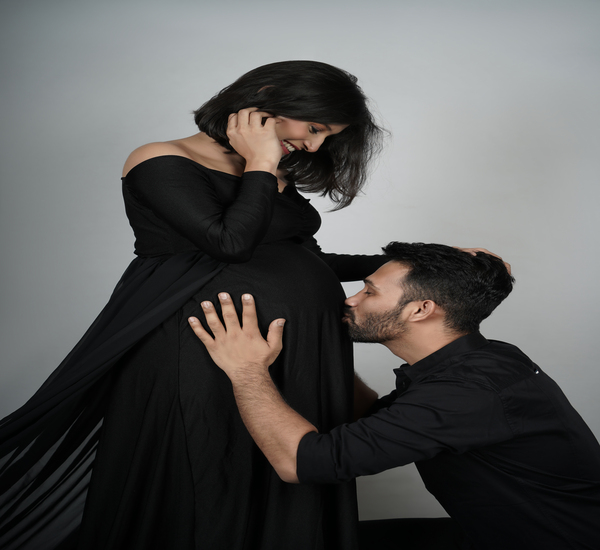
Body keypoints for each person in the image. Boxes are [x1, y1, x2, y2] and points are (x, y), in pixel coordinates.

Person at [0, 61, 389, 550]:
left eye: (325, 137)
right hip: (208, 346)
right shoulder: (161, 160)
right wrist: (261, 164)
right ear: (268, 96)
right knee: (207, 467)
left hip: (297, 352)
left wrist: (409, 258)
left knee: (281, 465)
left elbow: (298, 258)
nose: (314, 146)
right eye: (313, 129)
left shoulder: (269, 178)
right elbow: (229, 242)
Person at [189, 242, 600, 550]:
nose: (351, 299)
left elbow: (300, 462)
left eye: (369, 291)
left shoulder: (469, 391)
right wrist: (316, 348)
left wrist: (246, 369)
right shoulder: (477, 362)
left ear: (420, 310)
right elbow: (379, 419)